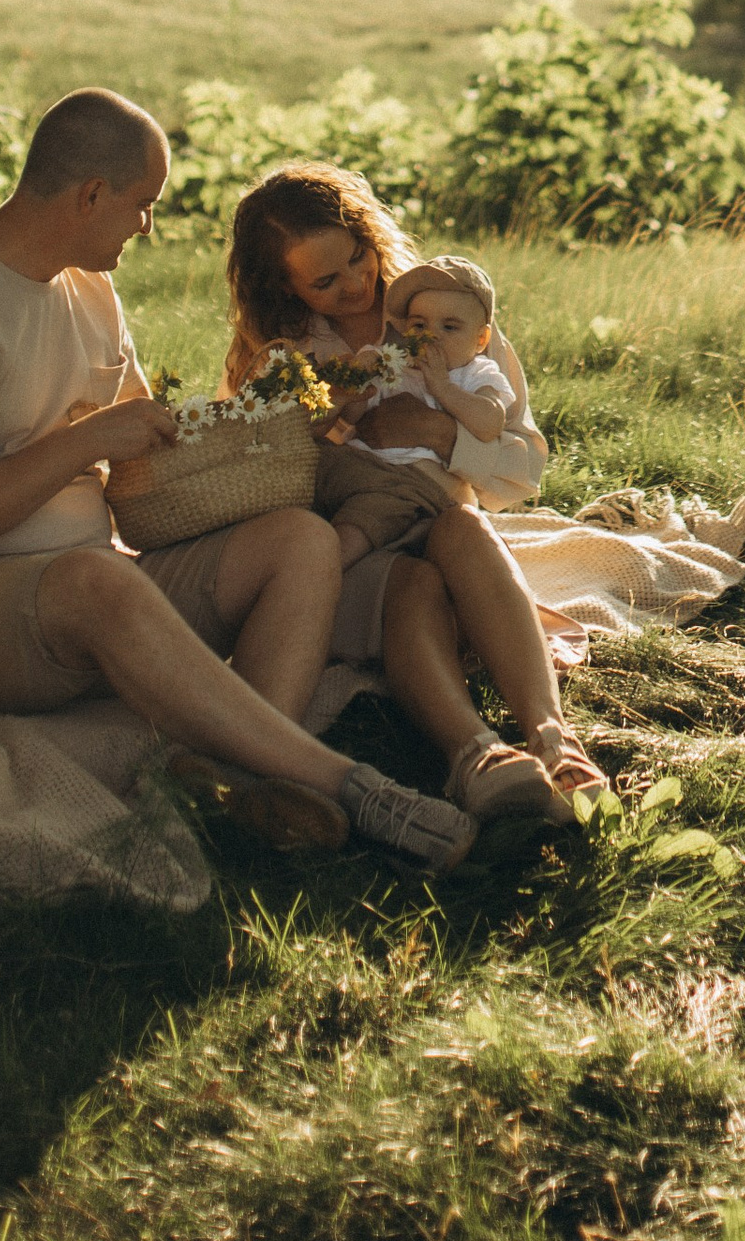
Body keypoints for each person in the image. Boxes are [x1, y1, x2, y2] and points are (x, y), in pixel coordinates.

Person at [0, 86, 473, 872]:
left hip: (101, 581)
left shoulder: (89, 288)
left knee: (298, 541)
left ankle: (241, 780)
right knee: (96, 580)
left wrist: (285, 411)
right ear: (90, 196)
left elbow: (149, 438)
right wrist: (89, 440)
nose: (147, 226)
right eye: (141, 205)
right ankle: (347, 786)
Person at [224, 165, 610, 835]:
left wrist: (439, 432)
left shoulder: (443, 314)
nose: (356, 282)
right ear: (282, 287)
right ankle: (476, 754)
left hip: (445, 524)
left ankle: (554, 740)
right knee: (411, 581)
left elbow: (523, 470)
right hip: (352, 549)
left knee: (463, 529)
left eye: (358, 256)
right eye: (326, 281)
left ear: (368, 235)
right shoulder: (283, 359)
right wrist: (319, 423)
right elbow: (250, 472)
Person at [313, 254, 521, 570]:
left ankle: (321, 569)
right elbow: (354, 417)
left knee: (366, 518)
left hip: (408, 481)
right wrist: (351, 390)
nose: (431, 335)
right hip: (357, 461)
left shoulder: (476, 373)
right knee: (313, 462)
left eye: (449, 327)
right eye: (419, 325)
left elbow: (490, 423)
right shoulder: (393, 364)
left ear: (480, 339)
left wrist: (443, 388)